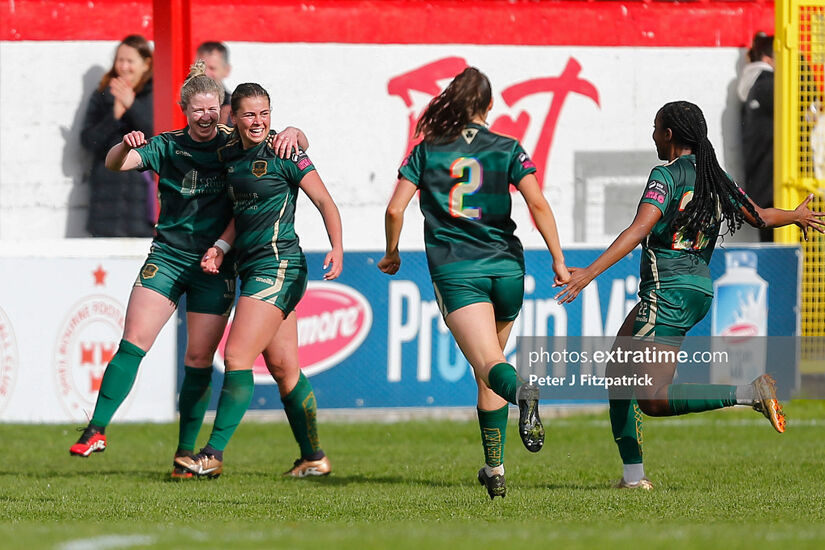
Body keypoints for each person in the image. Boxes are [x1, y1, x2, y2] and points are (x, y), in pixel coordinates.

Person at [555, 101, 825, 490]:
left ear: (669, 134)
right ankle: (633, 479)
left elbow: (638, 229)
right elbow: (760, 216)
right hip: (696, 289)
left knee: (651, 398)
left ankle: (749, 393)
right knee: (617, 371)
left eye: (655, 127)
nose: (652, 135)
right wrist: (796, 215)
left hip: (667, 292)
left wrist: (589, 274)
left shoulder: (666, 176)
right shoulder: (715, 176)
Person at [69, 63, 309, 480]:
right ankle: (96, 429)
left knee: (198, 360)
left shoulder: (235, 144)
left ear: (223, 109)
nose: (205, 116)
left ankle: (184, 455)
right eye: (197, 109)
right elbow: (114, 164)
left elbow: (291, 144)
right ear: (184, 110)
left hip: (215, 266)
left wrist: (296, 132)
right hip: (168, 256)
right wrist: (123, 146)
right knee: (134, 339)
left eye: (212, 108)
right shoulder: (167, 145)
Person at [377, 67, 570, 499]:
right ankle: (494, 469)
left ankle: (523, 390)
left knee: (489, 367)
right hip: (506, 269)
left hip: (457, 271)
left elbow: (395, 209)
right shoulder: (507, 148)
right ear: (488, 106)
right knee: (490, 365)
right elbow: (537, 202)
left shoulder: (427, 150)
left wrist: (392, 252)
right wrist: (558, 259)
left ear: (453, 102)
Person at [175, 82, 343, 479]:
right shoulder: (230, 152)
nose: (259, 121)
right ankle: (313, 458)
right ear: (233, 117)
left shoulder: (285, 151)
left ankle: (212, 454)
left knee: (235, 358)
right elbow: (242, 214)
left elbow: (325, 201)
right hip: (252, 266)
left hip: (280, 266)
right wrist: (220, 246)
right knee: (285, 370)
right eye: (250, 114)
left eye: (265, 113)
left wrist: (336, 246)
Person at [81, 34, 155, 237]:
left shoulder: (156, 93)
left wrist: (132, 106)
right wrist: (114, 115)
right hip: (106, 197)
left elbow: (159, 136)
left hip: (143, 197)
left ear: (146, 64)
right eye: (119, 60)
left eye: (130, 61)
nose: (123, 67)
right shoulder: (103, 93)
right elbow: (88, 140)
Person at [738, 32, 776, 242]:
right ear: (768, 59)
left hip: (761, 186)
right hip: (777, 186)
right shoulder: (768, 83)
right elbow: (810, 113)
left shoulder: (753, 85)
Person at [195, 41, 232, 125]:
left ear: (226, 70)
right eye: (200, 67)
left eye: (212, 68)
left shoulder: (234, 109)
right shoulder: (184, 103)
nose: (205, 73)